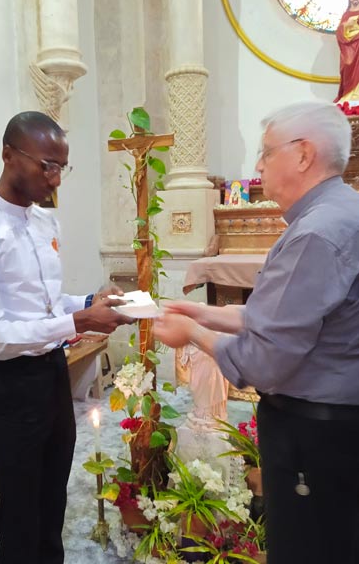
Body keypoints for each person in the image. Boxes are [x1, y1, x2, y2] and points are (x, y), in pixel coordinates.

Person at [154, 102, 359, 564]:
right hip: (335, 428)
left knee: (308, 549)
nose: (258, 166)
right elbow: (288, 316)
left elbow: (263, 360)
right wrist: (206, 313)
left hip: (315, 434)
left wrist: (192, 333)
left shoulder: (316, 233)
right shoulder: (341, 212)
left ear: (304, 154)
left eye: (267, 152)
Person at [0, 111, 134, 564]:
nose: (56, 179)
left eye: (62, 167)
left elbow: (45, 303)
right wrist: (80, 322)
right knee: (20, 513)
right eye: (47, 165)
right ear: (8, 155)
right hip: (11, 385)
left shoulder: (45, 223)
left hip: (51, 374)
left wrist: (89, 300)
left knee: (53, 500)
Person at [335, 0, 359, 102]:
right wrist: (347, 24)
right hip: (348, 46)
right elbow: (339, 31)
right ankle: (347, 96)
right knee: (348, 64)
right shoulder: (346, 14)